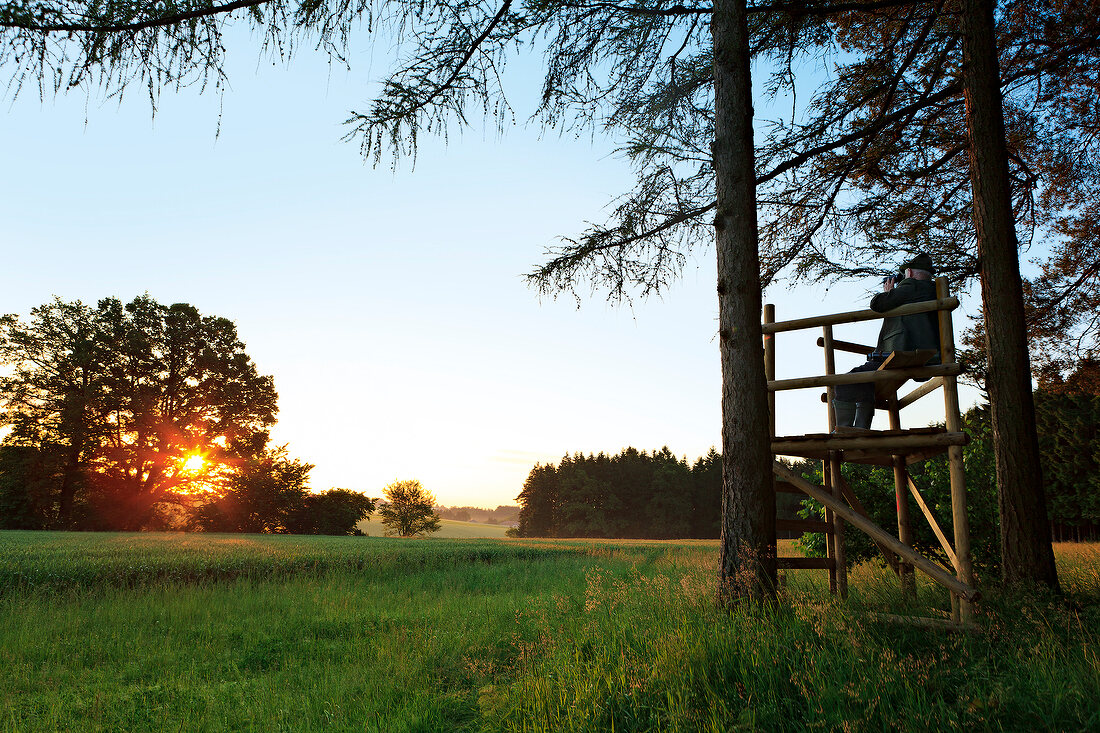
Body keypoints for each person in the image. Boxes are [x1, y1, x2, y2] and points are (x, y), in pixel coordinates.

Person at [833, 253, 941, 429]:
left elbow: (877, 304)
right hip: (923, 352)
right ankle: (859, 431)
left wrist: (890, 293)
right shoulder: (930, 290)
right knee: (864, 382)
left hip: (903, 354)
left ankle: (847, 431)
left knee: (842, 384)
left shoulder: (912, 286)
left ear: (910, 272)